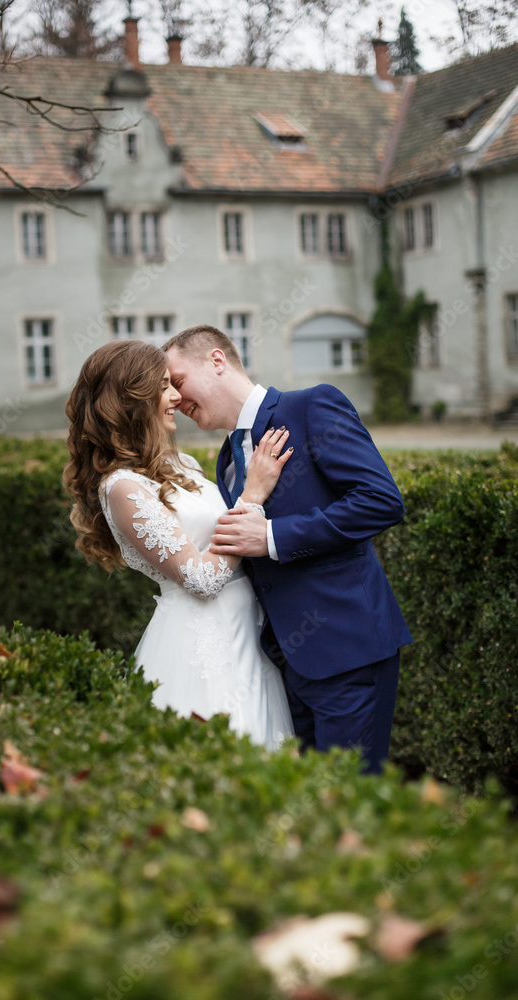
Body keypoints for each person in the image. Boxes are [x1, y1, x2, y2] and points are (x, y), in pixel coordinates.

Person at [163, 325, 413, 774]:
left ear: (216, 361)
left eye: (177, 381)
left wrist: (273, 537)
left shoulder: (311, 406)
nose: (176, 400)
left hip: (347, 650)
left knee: (350, 801)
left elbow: (381, 500)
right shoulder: (225, 461)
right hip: (284, 664)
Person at [63, 340, 295, 751]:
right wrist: (252, 496)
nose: (176, 397)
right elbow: (202, 578)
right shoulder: (122, 488)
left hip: (249, 628)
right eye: (165, 386)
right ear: (132, 398)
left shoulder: (182, 464)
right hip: (201, 638)